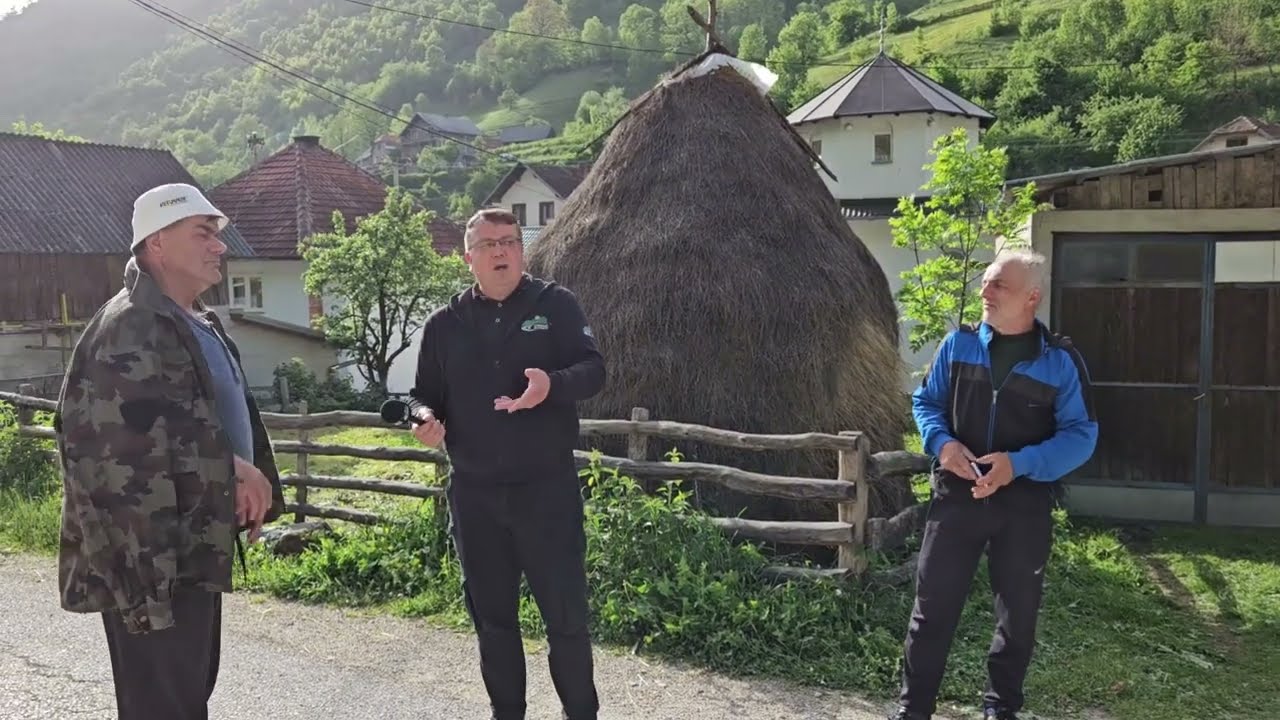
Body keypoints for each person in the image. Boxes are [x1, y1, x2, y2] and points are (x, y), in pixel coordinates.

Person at [54, 183, 284, 720]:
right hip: (148, 561)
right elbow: (106, 452)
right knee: (162, 706)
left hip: (191, 546)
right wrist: (230, 469)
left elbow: (191, 419)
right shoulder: (128, 326)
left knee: (185, 697)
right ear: (157, 243)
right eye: (203, 233)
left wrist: (245, 479)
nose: (219, 246)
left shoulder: (197, 322)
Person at [408, 207, 605, 720]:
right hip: (475, 497)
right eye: (489, 244)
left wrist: (552, 385)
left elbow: (594, 370)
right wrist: (423, 418)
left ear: (522, 251)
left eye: (510, 242)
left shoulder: (555, 305)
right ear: (468, 257)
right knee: (494, 624)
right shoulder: (444, 325)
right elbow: (422, 396)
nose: (501, 252)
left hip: (547, 492)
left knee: (566, 621)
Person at [888, 249, 1098, 720]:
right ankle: (912, 709)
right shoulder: (957, 345)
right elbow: (926, 403)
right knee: (932, 608)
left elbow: (1082, 436)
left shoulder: (1061, 362)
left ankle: (1000, 709)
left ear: (1032, 297)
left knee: (1017, 616)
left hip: (1024, 506)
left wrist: (1018, 465)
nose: (984, 291)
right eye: (985, 281)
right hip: (956, 498)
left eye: (998, 284)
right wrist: (943, 444)